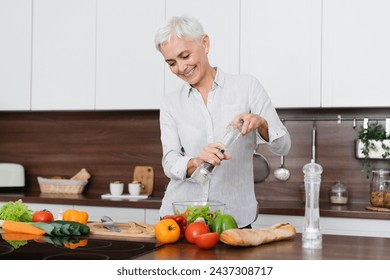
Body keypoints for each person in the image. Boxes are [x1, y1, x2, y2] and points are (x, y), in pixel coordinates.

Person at [154, 16, 291, 228]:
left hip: (233, 219)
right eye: (171, 63)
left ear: (205, 43)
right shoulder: (172, 103)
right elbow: (169, 160)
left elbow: (283, 146)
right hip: (180, 219)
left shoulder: (247, 87)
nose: (181, 68)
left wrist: (261, 123)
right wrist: (195, 161)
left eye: (185, 56)